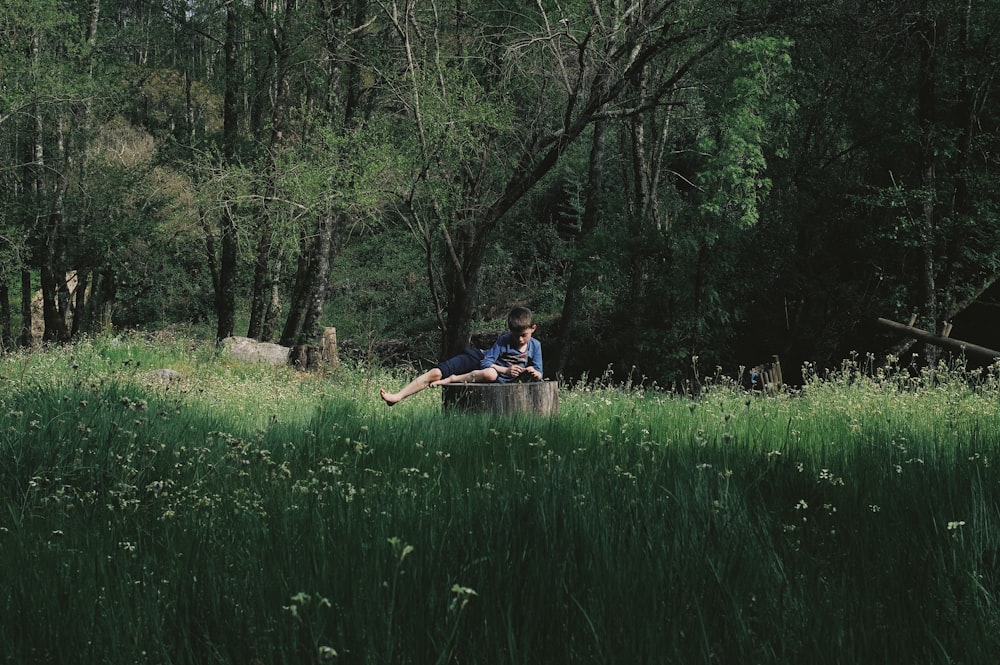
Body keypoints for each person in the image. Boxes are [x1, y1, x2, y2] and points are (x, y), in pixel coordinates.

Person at [432, 306, 542, 386]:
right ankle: (453, 378)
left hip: (515, 381)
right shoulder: (504, 340)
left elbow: (539, 372)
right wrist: (505, 370)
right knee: (490, 374)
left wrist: (534, 372)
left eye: (524, 335)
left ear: (533, 328)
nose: (520, 339)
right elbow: (485, 362)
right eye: (516, 336)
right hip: (497, 376)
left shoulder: (535, 345)